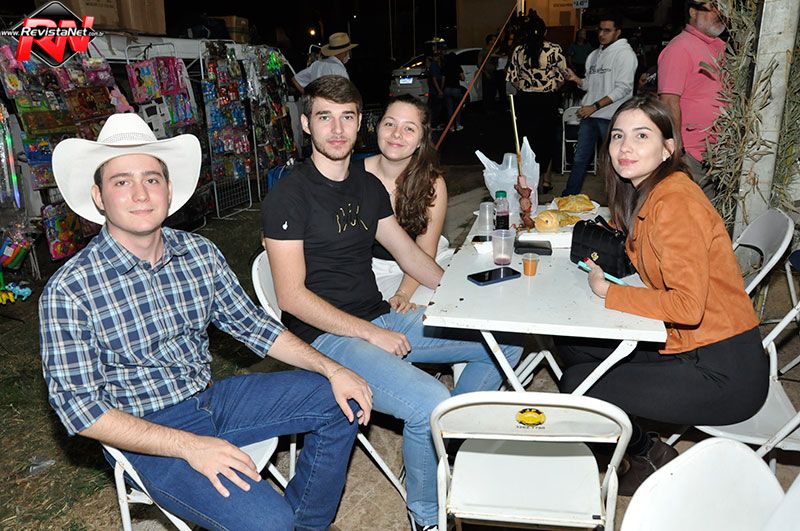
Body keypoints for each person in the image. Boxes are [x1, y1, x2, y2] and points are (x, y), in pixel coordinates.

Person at [41, 113, 373, 530]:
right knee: (268, 522)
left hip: (212, 399)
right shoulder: (70, 289)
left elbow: (253, 326)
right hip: (145, 430)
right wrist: (191, 446)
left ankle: (307, 524)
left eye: (151, 179)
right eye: (121, 182)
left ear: (168, 190)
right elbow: (80, 410)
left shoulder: (197, 253)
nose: (140, 193)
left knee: (342, 398)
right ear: (99, 197)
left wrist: (333, 368)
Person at [261, 75, 522, 531]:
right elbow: (292, 297)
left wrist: (471, 298)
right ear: (306, 124)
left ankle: (442, 446)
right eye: (324, 117)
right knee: (428, 402)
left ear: (360, 122)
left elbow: (410, 256)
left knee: (505, 340)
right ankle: (427, 516)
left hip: (377, 316)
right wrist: (371, 333)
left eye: (347, 118)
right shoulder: (289, 193)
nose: (337, 129)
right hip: (324, 337)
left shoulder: (366, 187)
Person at [556, 96, 767, 496]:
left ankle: (645, 454)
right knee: (573, 343)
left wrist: (608, 292)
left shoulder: (675, 202)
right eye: (618, 136)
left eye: (642, 136)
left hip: (725, 371)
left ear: (668, 148)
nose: (625, 147)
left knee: (578, 384)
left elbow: (687, 306)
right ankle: (636, 429)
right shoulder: (649, 193)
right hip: (687, 344)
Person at [364, 94, 454, 309]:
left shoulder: (432, 183)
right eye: (389, 124)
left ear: (421, 139)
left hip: (423, 263)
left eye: (409, 128)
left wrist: (403, 293)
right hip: (372, 271)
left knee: (452, 301)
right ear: (378, 127)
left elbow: (425, 252)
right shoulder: (353, 177)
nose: (396, 134)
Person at [562, 16, 637, 196]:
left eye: (607, 30)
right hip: (590, 116)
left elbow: (623, 88)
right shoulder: (594, 55)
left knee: (617, 161)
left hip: (612, 118)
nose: (602, 34)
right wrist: (576, 79)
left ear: (618, 32)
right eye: (600, 30)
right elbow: (590, 85)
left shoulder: (625, 54)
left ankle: (622, 200)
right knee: (580, 159)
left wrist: (594, 106)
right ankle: (568, 198)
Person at [658, 0, 726, 195]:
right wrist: (678, 152)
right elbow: (668, 102)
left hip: (719, 154)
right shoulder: (679, 48)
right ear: (693, 12)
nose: (719, 13)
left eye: (721, 8)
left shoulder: (722, 47)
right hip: (692, 155)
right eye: (712, 8)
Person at [506, 12, 567, 194]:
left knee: (526, 141)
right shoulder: (553, 49)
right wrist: (552, 87)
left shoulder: (519, 50)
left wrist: (526, 86)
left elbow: (512, 78)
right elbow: (563, 76)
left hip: (526, 100)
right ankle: (546, 180)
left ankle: (528, 181)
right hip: (547, 100)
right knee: (547, 140)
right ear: (545, 32)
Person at [292, 32, 358, 94]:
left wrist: (309, 97)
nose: (347, 54)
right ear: (341, 52)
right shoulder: (339, 69)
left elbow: (295, 79)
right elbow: (346, 95)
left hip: (317, 101)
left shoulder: (316, 64)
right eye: (347, 51)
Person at [442, 51, 465, 132]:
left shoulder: (445, 67)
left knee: (449, 109)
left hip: (447, 89)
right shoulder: (457, 66)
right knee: (458, 108)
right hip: (456, 89)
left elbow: (443, 79)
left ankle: (451, 126)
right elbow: (463, 78)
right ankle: (457, 125)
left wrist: (441, 89)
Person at [477, 34, 499, 111]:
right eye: (494, 40)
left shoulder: (494, 50)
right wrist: (485, 73)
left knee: (493, 91)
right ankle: (487, 109)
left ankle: (492, 107)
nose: (495, 41)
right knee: (487, 92)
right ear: (490, 41)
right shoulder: (483, 51)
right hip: (487, 73)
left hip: (494, 72)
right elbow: (479, 65)